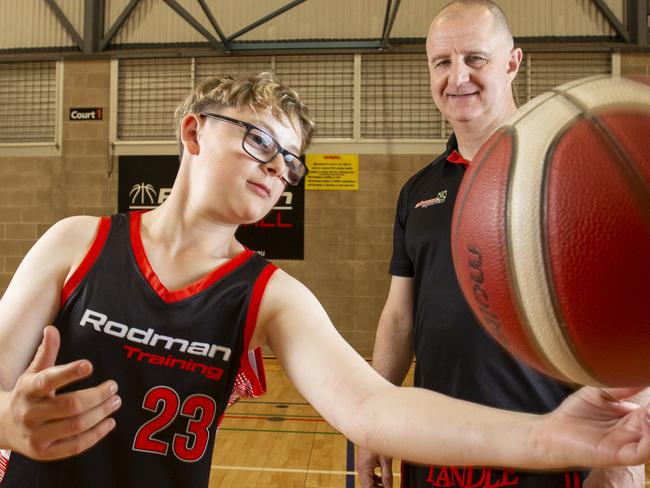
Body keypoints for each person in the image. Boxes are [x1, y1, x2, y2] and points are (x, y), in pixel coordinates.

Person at [0, 72, 649, 488]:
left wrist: (553, 434)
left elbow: (373, 407)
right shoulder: (77, 242)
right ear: (194, 131)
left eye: (291, 162)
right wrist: (8, 421)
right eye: (259, 141)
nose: (278, 169)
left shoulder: (268, 296)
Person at [356, 1, 646, 487]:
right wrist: (373, 421)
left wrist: (619, 461)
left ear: (513, 62)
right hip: (436, 450)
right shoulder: (418, 190)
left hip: (552, 451)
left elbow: (633, 323)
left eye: (475, 58)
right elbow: (400, 316)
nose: (457, 77)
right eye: (442, 62)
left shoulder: (572, 173)